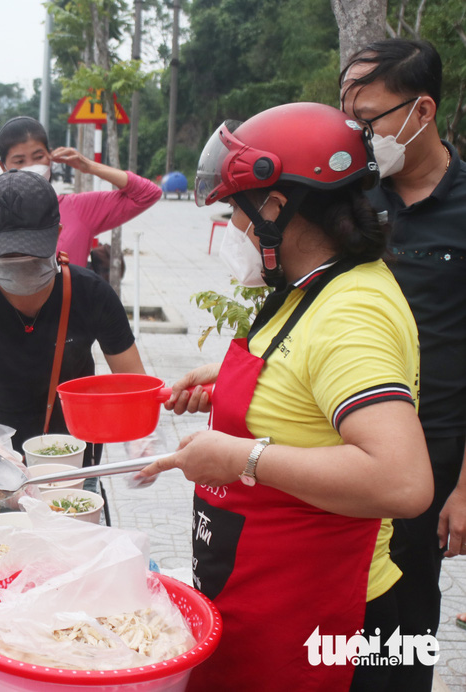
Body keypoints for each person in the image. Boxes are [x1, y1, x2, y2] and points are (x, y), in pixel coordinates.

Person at [138, 102, 433, 691]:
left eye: (235, 210)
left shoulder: (354, 311)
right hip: (265, 596)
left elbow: (402, 481)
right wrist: (228, 387)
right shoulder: (309, 287)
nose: (233, 227)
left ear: (277, 205)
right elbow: (310, 388)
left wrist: (239, 458)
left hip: (330, 628)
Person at [340, 38, 466, 690]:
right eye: (349, 121)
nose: (358, 136)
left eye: (369, 121)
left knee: (409, 611)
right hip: (347, 442)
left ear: (422, 110)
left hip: (433, 451)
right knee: (344, 607)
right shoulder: (353, 200)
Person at [0, 169, 145, 467]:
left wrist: (140, 438)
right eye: (7, 257)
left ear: (58, 234)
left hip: (74, 452)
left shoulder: (93, 294)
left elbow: (134, 382)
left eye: (30, 255)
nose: (19, 265)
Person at [0, 116, 160, 286]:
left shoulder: (79, 209)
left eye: (38, 157)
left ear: (51, 157)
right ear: (3, 167)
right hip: (9, 335)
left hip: (68, 333)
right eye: (19, 161)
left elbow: (148, 194)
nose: (31, 166)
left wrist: (89, 166)